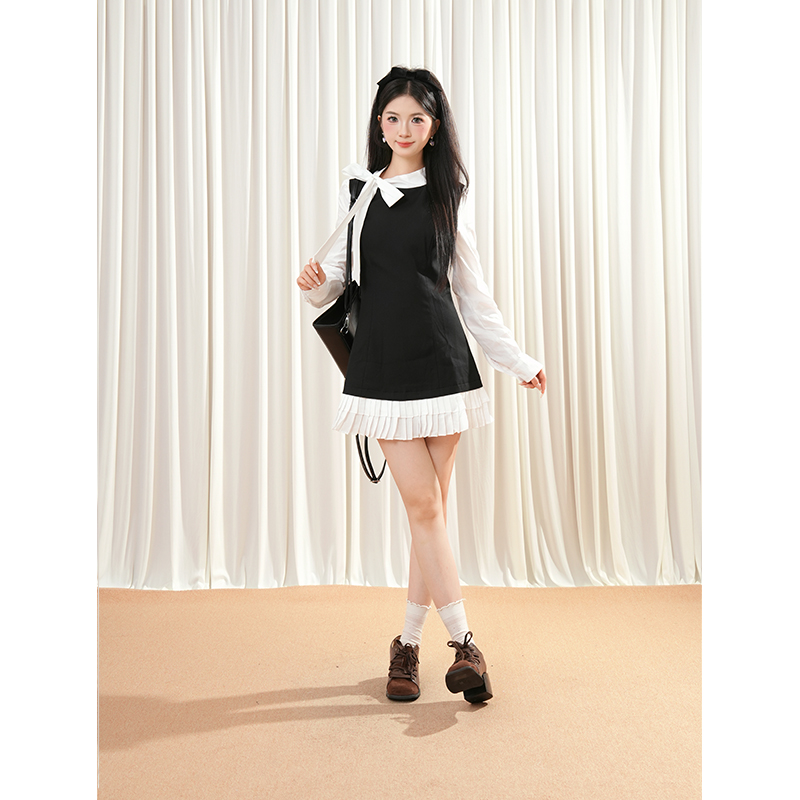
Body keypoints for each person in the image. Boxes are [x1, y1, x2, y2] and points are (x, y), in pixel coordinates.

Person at [297, 66, 545, 704]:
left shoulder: (447, 197)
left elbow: (473, 296)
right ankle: (465, 645)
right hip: (381, 370)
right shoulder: (361, 194)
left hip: (442, 365)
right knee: (426, 509)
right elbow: (336, 280)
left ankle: (406, 647)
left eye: (416, 118)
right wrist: (315, 282)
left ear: (434, 128)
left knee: (426, 514)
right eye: (392, 118)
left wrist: (517, 361)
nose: (403, 129)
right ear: (379, 125)